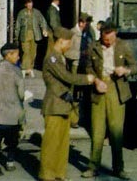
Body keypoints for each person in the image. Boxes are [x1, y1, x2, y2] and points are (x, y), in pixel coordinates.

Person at [38, 27, 102, 181]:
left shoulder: (60, 57)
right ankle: (47, 175)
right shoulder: (52, 58)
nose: (70, 46)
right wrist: (88, 79)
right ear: (61, 41)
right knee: (51, 143)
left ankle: (59, 174)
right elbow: (67, 77)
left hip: (63, 105)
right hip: (54, 106)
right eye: (69, 43)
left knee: (62, 143)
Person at [81, 22, 137, 180]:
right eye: (106, 40)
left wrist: (125, 70)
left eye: (111, 39)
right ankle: (93, 167)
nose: (109, 42)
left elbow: (135, 67)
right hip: (99, 90)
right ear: (102, 35)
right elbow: (87, 68)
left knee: (116, 132)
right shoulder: (93, 46)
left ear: (115, 34)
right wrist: (95, 82)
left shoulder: (123, 46)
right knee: (97, 132)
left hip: (117, 90)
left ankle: (118, 168)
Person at [0, 42, 25, 176]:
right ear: (8, 55)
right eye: (16, 54)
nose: (18, 57)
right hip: (12, 114)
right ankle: (10, 161)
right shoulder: (16, 71)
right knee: (12, 139)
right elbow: (21, 93)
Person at [14, 0, 48, 78]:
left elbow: (43, 21)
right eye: (28, 3)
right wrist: (16, 37)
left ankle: (30, 68)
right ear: (25, 4)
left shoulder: (37, 12)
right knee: (26, 52)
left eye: (31, 3)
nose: (30, 5)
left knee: (33, 52)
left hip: (35, 34)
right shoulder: (21, 13)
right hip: (24, 34)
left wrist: (44, 29)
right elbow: (17, 26)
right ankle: (24, 68)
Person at [65, 15, 87, 128]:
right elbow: (68, 48)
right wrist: (77, 55)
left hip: (83, 64)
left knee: (80, 90)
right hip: (75, 62)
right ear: (81, 23)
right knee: (72, 89)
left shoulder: (86, 32)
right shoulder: (73, 32)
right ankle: (72, 117)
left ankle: (77, 116)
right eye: (85, 22)